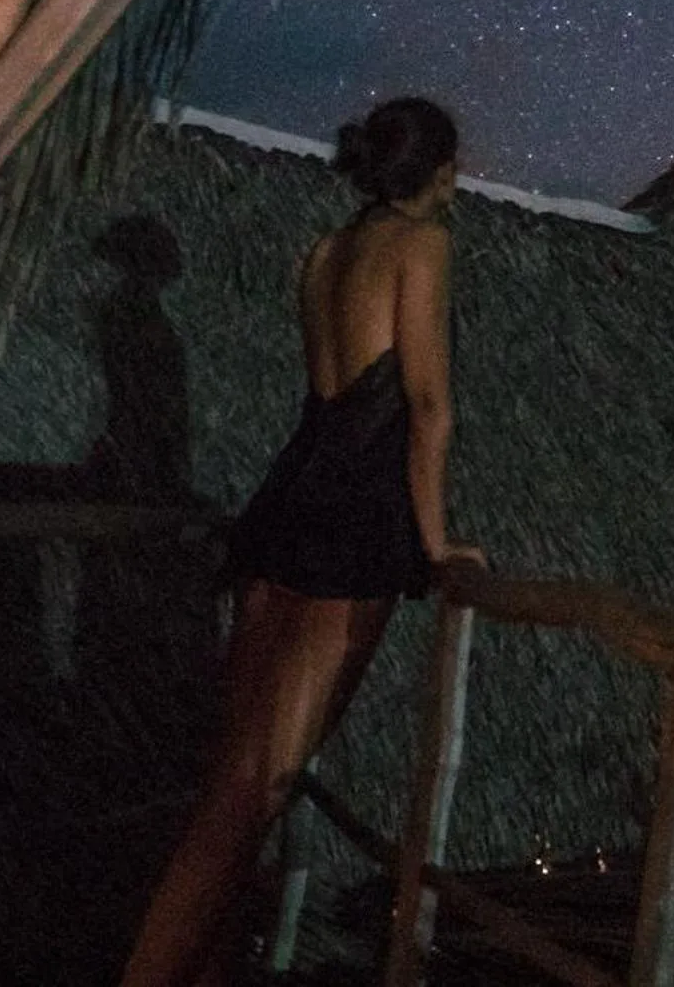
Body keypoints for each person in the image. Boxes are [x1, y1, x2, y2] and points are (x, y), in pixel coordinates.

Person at [119, 96, 480, 987]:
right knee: (255, 790)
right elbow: (426, 407)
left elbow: (332, 400)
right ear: (435, 172)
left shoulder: (323, 255)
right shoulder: (420, 244)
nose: (460, 181)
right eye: (455, 166)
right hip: (352, 524)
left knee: (236, 782)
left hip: (288, 506)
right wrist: (436, 549)